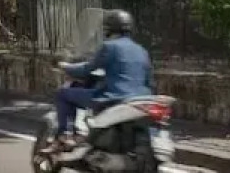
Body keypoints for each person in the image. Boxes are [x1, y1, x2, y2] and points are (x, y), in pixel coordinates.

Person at [43, 9, 153, 154]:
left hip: (113, 98)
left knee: (63, 94)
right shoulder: (142, 51)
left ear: (109, 28)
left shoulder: (109, 46)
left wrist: (65, 66)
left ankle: (65, 135)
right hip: (141, 100)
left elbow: (86, 69)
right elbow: (148, 81)